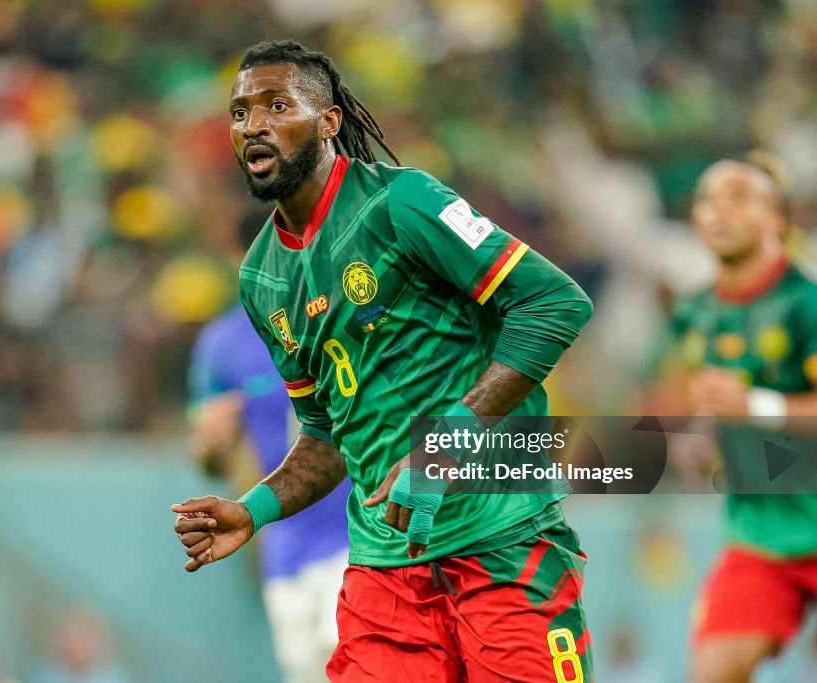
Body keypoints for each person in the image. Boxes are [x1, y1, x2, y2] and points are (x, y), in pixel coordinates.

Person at [171, 40, 594, 682]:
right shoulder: (262, 276)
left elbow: (554, 303)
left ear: (330, 120)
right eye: (239, 112)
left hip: (503, 544)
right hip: (383, 575)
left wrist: (448, 443)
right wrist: (252, 510)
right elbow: (325, 436)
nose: (253, 125)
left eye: (276, 105)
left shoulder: (402, 204)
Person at [652, 159, 817, 683]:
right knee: (711, 674)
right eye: (707, 200)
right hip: (760, 536)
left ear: (777, 220)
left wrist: (756, 407)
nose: (719, 211)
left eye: (740, 196)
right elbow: (698, 407)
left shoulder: (808, 306)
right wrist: (693, 439)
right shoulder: (694, 313)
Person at [188, 212, 350, 683]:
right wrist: (214, 445)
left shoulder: (334, 311)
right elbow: (209, 460)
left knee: (356, 664)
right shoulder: (221, 344)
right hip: (285, 547)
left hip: (354, 536)